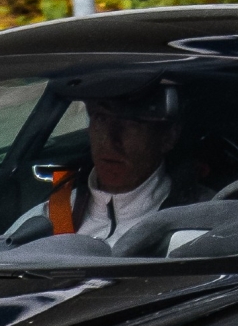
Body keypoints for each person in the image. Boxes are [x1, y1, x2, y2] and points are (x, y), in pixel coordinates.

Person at [42, 82, 199, 240]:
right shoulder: (47, 219)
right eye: (101, 118)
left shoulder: (198, 224)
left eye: (131, 123)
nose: (110, 141)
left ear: (168, 137)